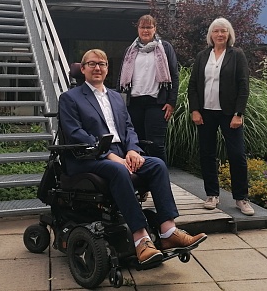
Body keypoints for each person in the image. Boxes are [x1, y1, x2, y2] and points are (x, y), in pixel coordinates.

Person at [59, 49, 206, 265]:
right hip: (87, 158)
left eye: (102, 63)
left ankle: (168, 232)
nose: (97, 67)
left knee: (156, 165)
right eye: (91, 64)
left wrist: (132, 151)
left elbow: (128, 129)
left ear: (107, 69)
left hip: (121, 153)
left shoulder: (116, 97)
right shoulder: (70, 98)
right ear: (83, 69)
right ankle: (141, 240)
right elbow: (76, 134)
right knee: (118, 170)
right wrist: (110, 156)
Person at [187, 17, 254, 216]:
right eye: (216, 31)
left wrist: (238, 113)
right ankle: (211, 195)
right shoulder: (202, 56)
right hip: (205, 113)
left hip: (229, 114)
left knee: (237, 155)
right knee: (207, 153)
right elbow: (193, 85)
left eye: (223, 31)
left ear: (229, 34)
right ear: (211, 35)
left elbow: (244, 86)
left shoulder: (237, 55)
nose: (220, 34)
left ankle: (241, 198)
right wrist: (195, 110)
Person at [118, 15, 179, 164]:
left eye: (149, 27)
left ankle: (161, 181)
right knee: (135, 145)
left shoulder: (164, 48)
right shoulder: (130, 50)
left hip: (157, 103)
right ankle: (141, 182)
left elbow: (174, 75)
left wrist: (171, 102)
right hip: (134, 104)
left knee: (156, 145)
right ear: (138, 29)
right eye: (142, 27)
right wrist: (119, 105)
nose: (145, 30)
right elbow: (121, 79)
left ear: (155, 29)